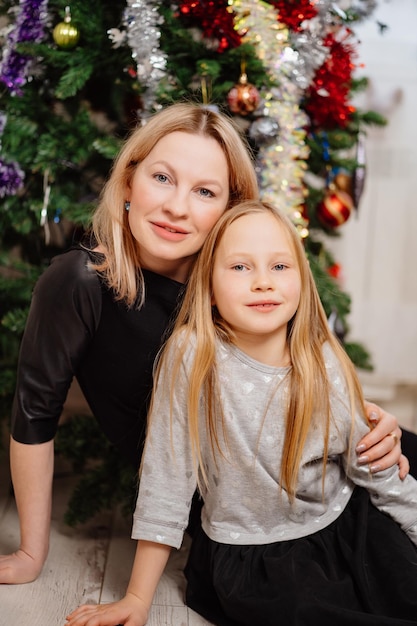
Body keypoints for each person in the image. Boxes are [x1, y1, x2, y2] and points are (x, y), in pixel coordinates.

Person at [0, 103, 409, 586]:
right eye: (162, 178)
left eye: (204, 191)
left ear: (228, 207)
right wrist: (31, 551)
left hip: (322, 473)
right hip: (233, 514)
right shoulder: (79, 283)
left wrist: (372, 424)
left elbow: (300, 368)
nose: (177, 207)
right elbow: (34, 415)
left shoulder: (238, 279)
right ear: (129, 181)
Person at [66, 200, 417, 626]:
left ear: (303, 282)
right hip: (249, 555)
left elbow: (373, 470)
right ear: (209, 287)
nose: (263, 283)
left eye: (280, 267)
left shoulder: (323, 361)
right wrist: (137, 599)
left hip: (341, 519)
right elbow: (167, 477)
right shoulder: (191, 356)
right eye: (240, 268)